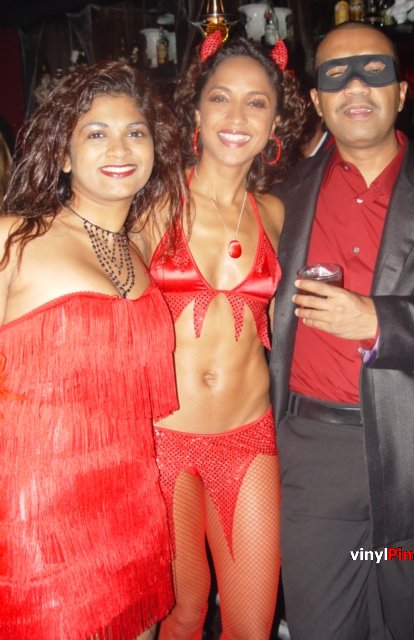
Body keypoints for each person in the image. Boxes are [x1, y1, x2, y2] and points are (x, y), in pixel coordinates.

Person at [269, 21, 414, 640]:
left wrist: (377, 321)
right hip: (311, 453)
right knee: (320, 626)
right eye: (337, 75)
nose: (356, 86)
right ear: (317, 101)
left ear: (402, 93)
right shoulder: (278, 198)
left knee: (410, 625)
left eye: (374, 71)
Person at [0, 60, 185, 639]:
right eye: (96, 133)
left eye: (136, 132)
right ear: (63, 154)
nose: (120, 148)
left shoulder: (138, 252)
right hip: (38, 521)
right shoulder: (14, 239)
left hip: (133, 508)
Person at [140, 33, 305, 639]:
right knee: (182, 613)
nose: (237, 117)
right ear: (196, 109)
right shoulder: (151, 203)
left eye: (257, 103)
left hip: (249, 438)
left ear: (275, 122)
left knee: (252, 627)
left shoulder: (277, 213)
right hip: (162, 440)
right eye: (221, 98)